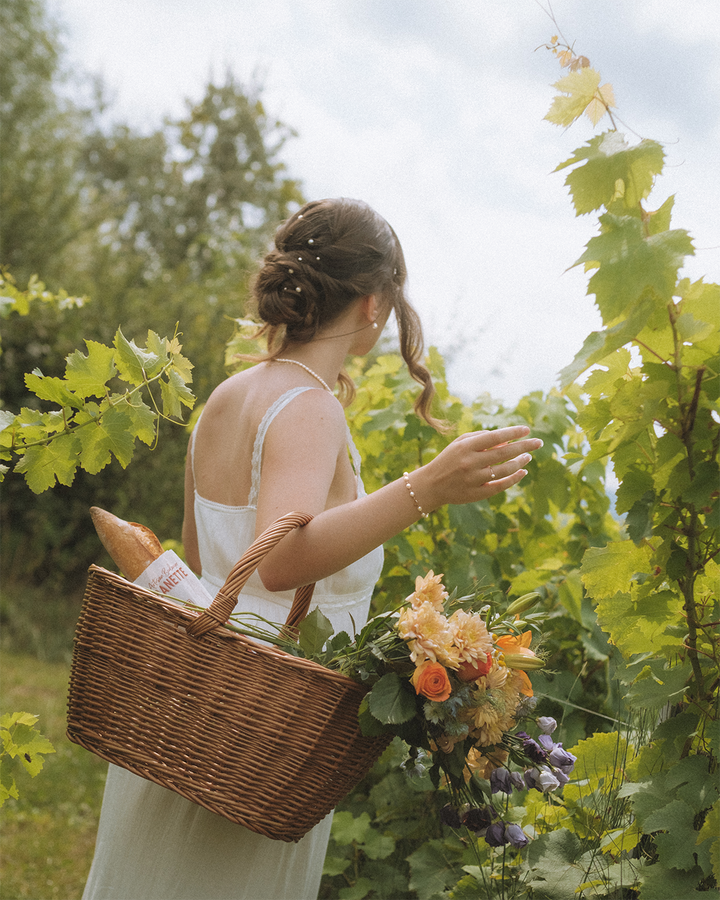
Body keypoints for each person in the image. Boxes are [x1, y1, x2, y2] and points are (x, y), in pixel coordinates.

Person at [82, 198, 542, 899]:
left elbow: (205, 559)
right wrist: (427, 487)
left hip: (192, 702)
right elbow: (279, 561)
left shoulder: (230, 397)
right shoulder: (309, 405)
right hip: (261, 723)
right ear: (371, 304)